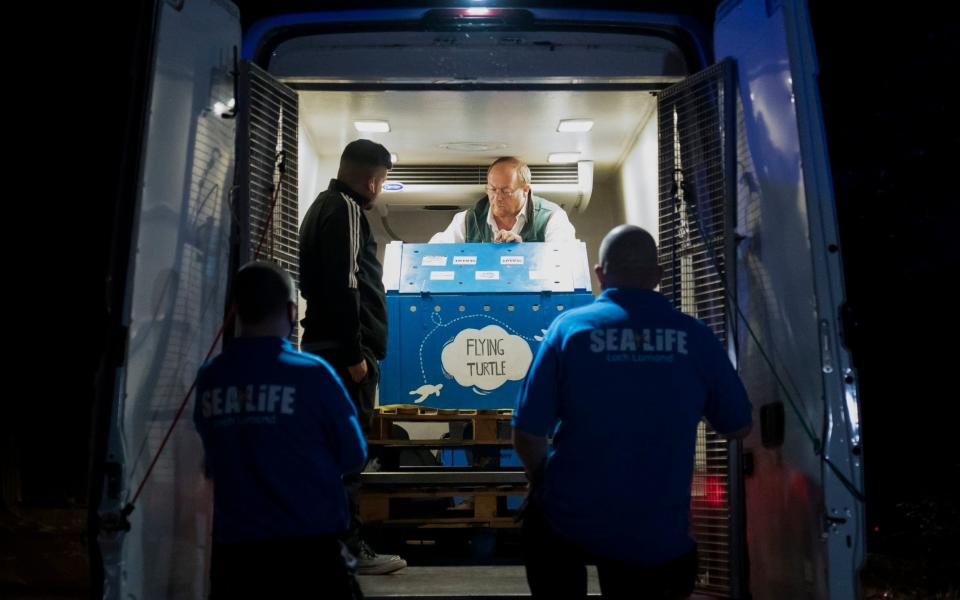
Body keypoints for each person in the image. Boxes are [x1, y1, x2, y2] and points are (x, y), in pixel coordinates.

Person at [512, 225, 753, 599]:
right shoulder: (695, 337)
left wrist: (543, 480)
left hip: (569, 518)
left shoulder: (568, 330)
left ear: (600, 274)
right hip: (655, 536)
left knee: (540, 523)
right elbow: (738, 426)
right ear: (658, 276)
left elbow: (527, 432)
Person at [194, 261, 366, 598]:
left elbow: (210, 461)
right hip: (308, 552)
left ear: (235, 311)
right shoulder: (312, 374)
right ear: (291, 311)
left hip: (236, 556)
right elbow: (353, 455)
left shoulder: (210, 377)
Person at [299, 139, 407, 574]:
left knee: (328, 454)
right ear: (371, 179)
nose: (379, 188)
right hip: (344, 357)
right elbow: (345, 284)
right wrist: (354, 354)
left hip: (327, 352)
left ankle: (327, 547)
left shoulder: (318, 208)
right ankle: (348, 550)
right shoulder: (344, 208)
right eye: (381, 180)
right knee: (347, 456)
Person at [429, 156, 576, 243]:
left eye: (506, 191)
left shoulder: (551, 217)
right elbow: (435, 252)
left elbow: (564, 261)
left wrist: (524, 253)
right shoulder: (468, 219)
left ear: (525, 190)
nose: (497, 198)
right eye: (492, 189)